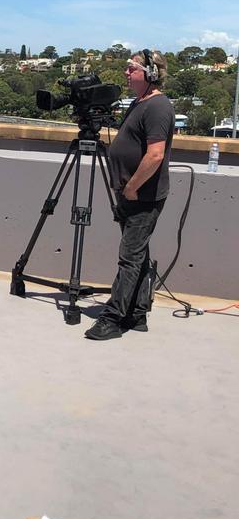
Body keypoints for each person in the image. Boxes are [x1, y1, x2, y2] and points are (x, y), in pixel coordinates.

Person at [85, 49, 173, 341]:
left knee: (129, 257)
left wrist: (133, 187)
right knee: (138, 254)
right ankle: (137, 313)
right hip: (130, 193)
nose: (126, 72)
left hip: (142, 196)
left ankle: (113, 319)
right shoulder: (139, 103)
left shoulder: (158, 107)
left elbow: (155, 154)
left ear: (150, 74)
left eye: (131, 68)